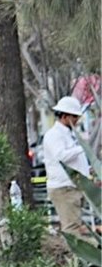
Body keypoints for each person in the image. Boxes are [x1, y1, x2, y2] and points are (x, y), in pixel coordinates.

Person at [43, 96, 91, 234]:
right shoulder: (53, 135)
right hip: (64, 188)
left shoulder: (70, 135)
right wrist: (83, 147)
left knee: (76, 225)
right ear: (64, 116)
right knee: (72, 228)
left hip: (73, 186)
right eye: (74, 117)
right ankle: (75, 255)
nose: (77, 120)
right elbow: (61, 156)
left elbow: (74, 159)